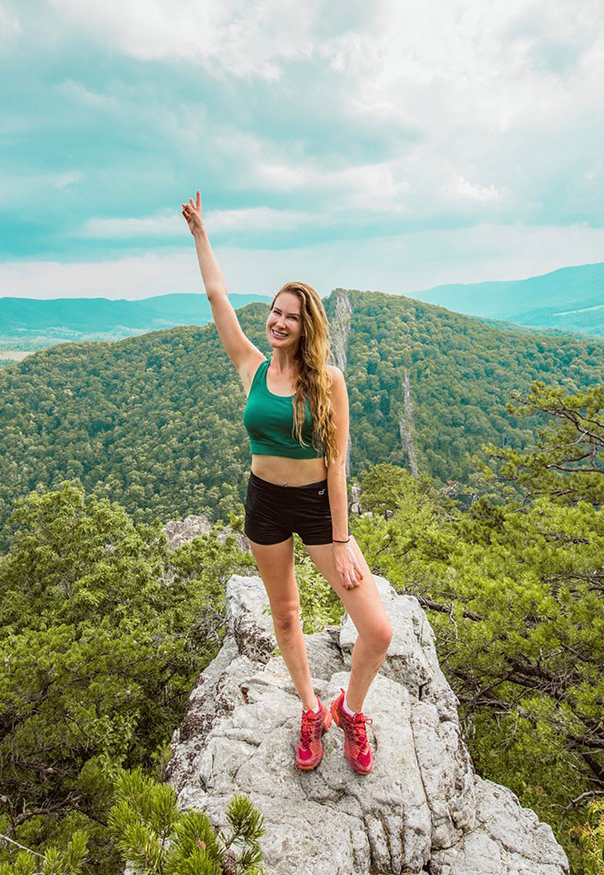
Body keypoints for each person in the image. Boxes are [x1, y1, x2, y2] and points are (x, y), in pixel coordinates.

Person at [181, 190, 393, 775]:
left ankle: (350, 710)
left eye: (290, 316)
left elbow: (337, 463)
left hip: (318, 508)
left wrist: (343, 539)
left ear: (307, 326)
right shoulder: (251, 367)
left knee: (377, 630)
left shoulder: (328, 381)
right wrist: (201, 234)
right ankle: (310, 711)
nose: (278, 321)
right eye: (275, 311)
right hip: (265, 506)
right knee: (284, 614)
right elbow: (217, 296)